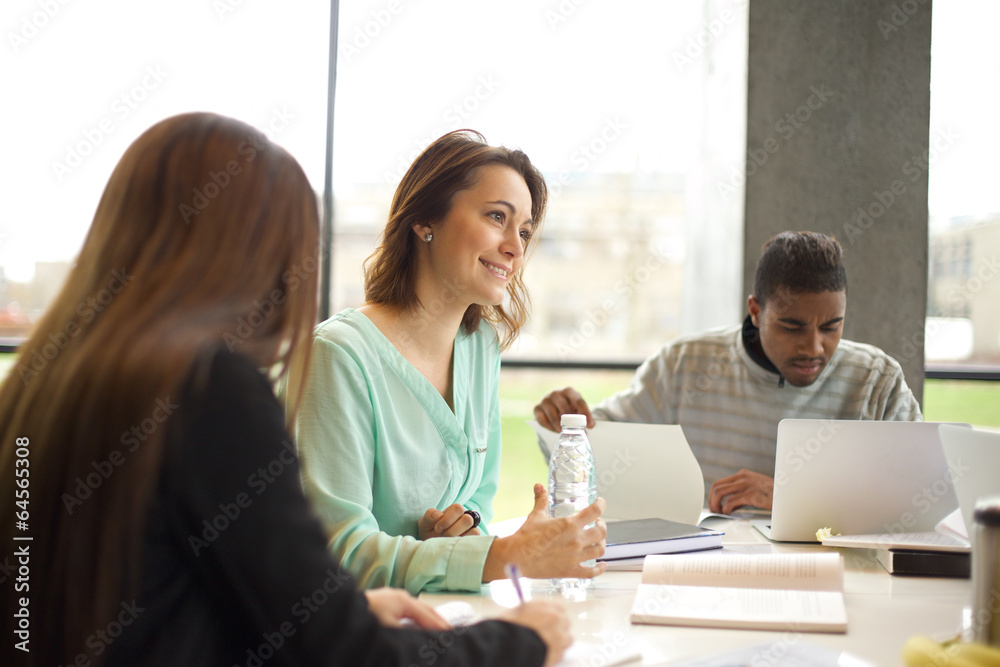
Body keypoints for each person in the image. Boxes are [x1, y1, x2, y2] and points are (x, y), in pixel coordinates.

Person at [0, 114, 571, 667]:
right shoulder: (209, 390)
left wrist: (341, 609)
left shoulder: (42, 383)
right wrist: (519, 644)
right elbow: (340, 653)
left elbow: (152, 600)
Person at [291, 130, 607, 595]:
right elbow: (339, 550)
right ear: (424, 220)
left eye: (523, 230)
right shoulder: (338, 356)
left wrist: (463, 530)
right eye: (497, 217)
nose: (516, 248)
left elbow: (478, 498)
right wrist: (499, 556)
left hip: (444, 614)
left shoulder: (479, 347)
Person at [534, 231, 922, 515]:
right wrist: (561, 422)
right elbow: (600, 446)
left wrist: (790, 495)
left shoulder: (877, 380)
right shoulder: (685, 364)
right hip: (707, 568)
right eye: (792, 327)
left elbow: (918, 495)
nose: (814, 347)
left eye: (832, 326)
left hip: (843, 575)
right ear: (756, 310)